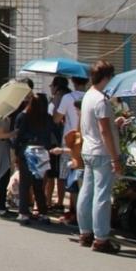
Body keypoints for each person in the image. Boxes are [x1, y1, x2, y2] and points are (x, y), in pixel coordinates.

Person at [78, 60, 123, 254]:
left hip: (88, 149)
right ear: (106, 77)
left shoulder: (88, 96)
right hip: (102, 152)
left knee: (87, 192)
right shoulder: (101, 100)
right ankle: (101, 238)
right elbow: (105, 131)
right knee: (102, 195)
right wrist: (115, 158)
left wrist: (115, 123)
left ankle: (85, 232)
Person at [13, 92, 58, 224]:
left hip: (27, 150)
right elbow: (54, 133)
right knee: (38, 184)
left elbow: (18, 135)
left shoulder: (23, 116)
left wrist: (16, 151)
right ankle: (43, 212)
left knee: (25, 183)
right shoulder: (48, 118)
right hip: (42, 151)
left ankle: (24, 213)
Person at [53, 75, 87, 213]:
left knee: (65, 176)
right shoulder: (90, 97)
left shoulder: (67, 98)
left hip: (69, 140)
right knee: (81, 177)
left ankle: (64, 205)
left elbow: (56, 118)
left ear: (73, 81)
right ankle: (77, 211)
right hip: (85, 141)